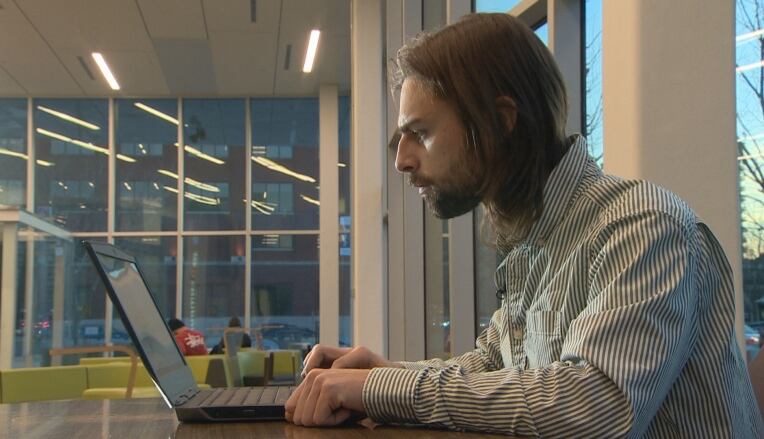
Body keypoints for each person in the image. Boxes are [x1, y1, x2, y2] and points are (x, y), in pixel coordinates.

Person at [284, 13, 764, 437]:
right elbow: (495, 367)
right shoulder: (534, 243)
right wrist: (382, 373)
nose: (402, 161)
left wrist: (382, 389)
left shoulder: (643, 225)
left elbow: (595, 402)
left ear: (500, 120)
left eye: (421, 133)